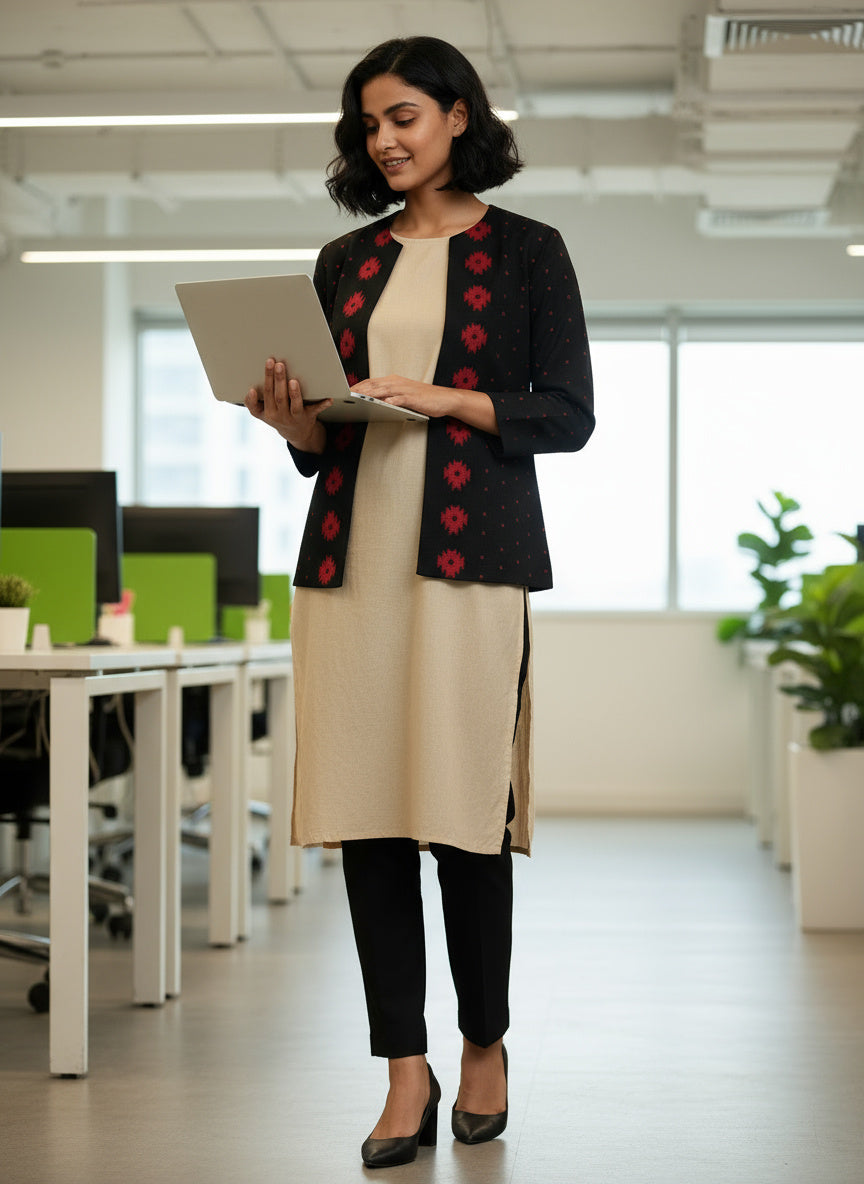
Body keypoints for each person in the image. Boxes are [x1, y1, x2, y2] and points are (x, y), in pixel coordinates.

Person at [245, 35, 594, 1170]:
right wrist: (292, 418)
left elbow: (568, 411)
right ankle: (405, 1066)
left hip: (470, 565)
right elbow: (323, 443)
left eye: (401, 117)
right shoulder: (344, 260)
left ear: (455, 116)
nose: (382, 140)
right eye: (367, 125)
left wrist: (447, 395)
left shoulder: (529, 251)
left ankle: (482, 1041)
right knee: (367, 818)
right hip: (350, 565)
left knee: (459, 813)